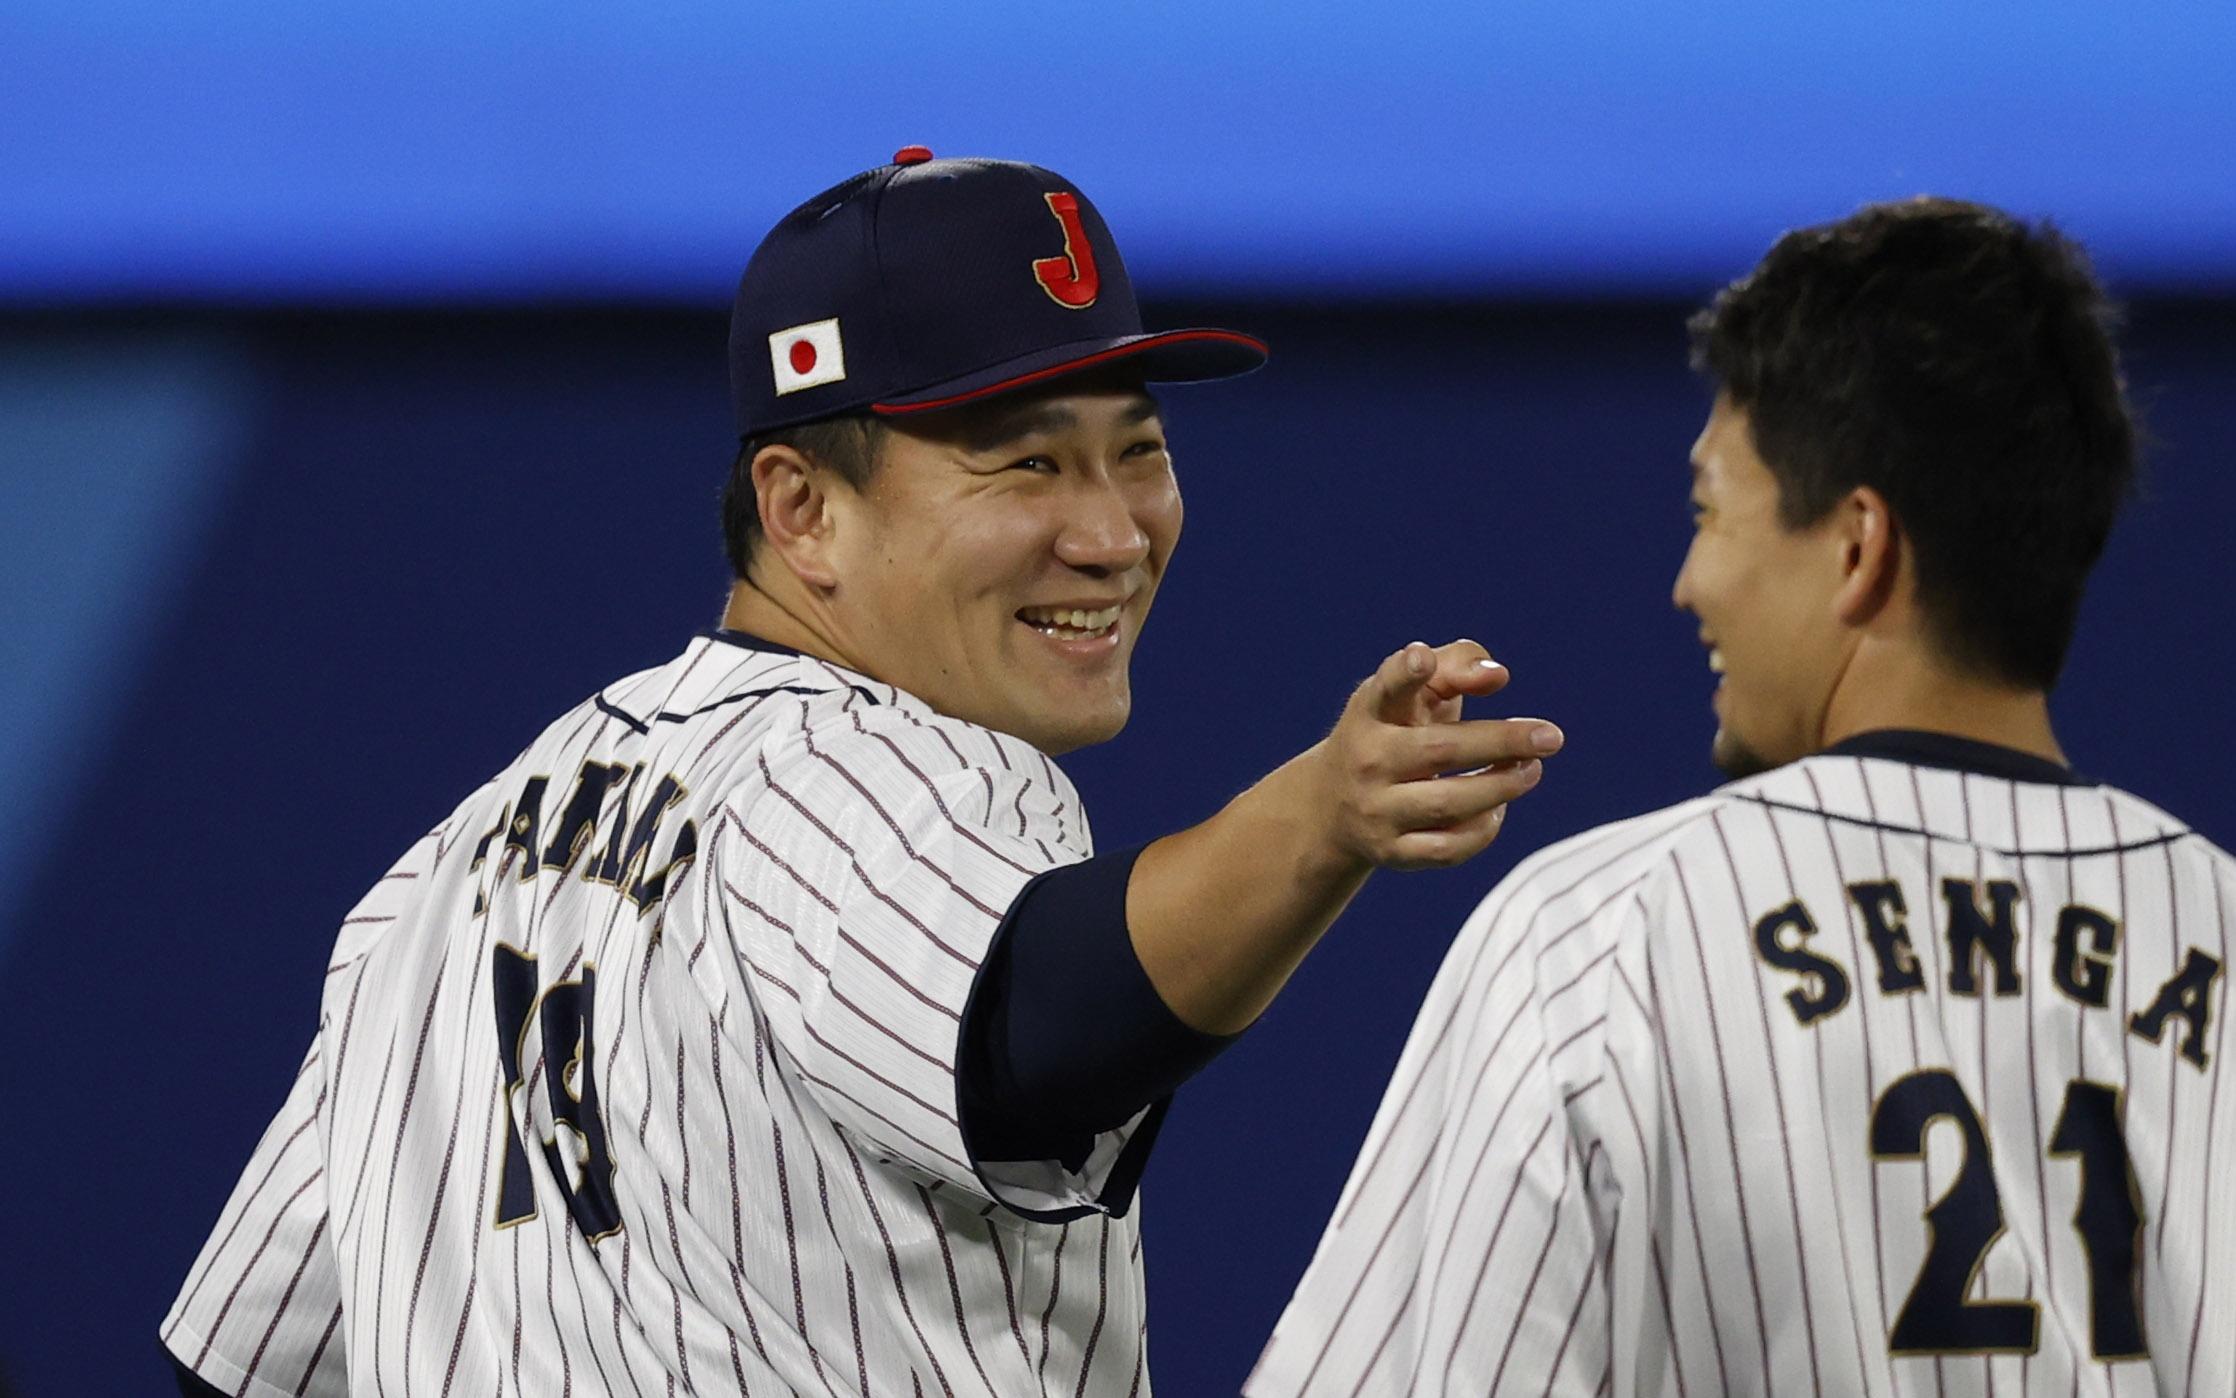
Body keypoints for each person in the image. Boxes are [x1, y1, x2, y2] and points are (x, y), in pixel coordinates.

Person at [160, 149, 1565, 1397]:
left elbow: (251, 1354)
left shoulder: (444, 876)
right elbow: (1035, 1020)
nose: (1112, 533)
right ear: (802, 509)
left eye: (1137, 450)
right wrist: (1318, 817)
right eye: (1024, 464)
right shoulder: (867, 761)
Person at [1248, 198, 2233, 1396]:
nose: (1686, 581)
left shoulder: (1599, 934)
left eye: (1712, 511)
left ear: (1858, 548)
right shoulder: (2220, 926)